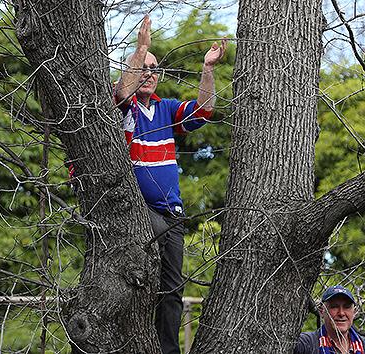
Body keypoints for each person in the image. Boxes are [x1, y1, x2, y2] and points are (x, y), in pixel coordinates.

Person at [113, 14, 227, 354]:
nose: (148, 73)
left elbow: (203, 111)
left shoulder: (166, 108)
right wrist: (141, 47)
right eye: (142, 67)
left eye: (153, 68)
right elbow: (121, 91)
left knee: (172, 287)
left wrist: (207, 69)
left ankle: (167, 350)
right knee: (138, 281)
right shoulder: (123, 107)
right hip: (141, 209)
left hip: (172, 213)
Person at [294, 285, 365, 354]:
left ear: (354, 312)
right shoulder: (305, 344)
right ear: (321, 311)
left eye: (347, 307)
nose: (341, 313)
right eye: (334, 307)